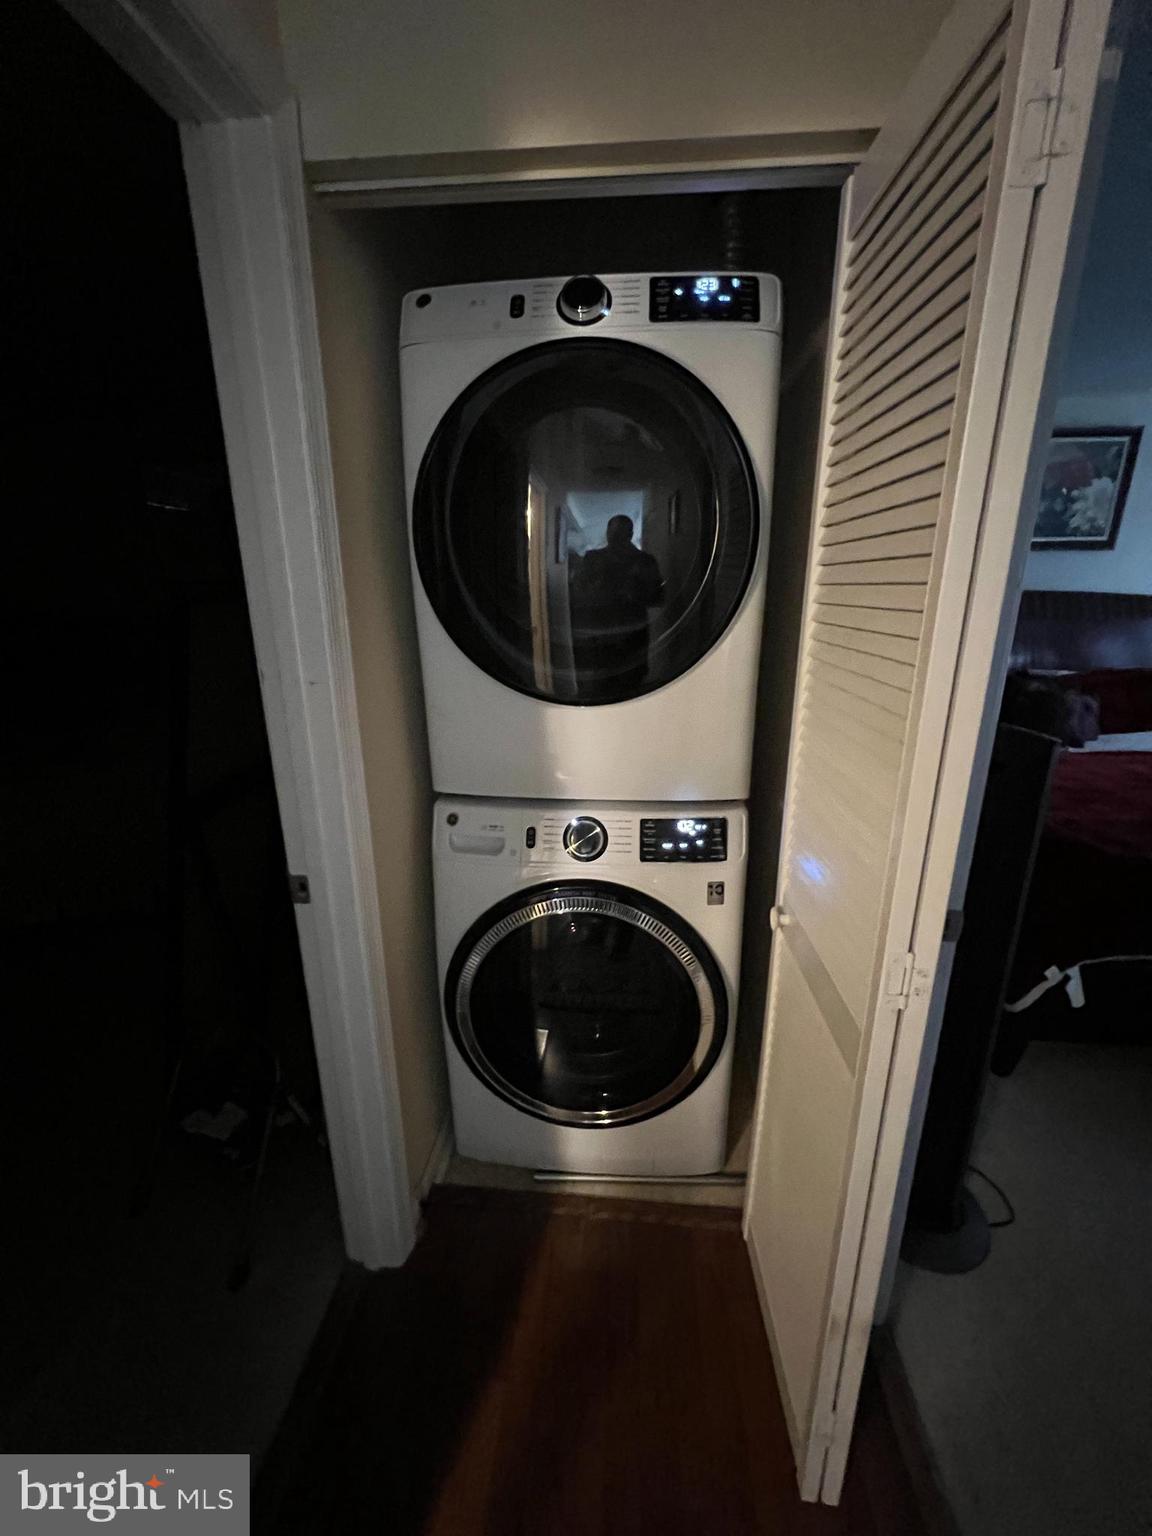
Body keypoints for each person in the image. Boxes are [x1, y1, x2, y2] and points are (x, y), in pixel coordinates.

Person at [571, 515, 665, 698]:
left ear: (630, 534)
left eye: (620, 533)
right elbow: (578, 593)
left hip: (631, 637)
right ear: (607, 534)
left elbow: (658, 598)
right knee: (598, 690)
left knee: (632, 690)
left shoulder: (644, 561)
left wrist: (634, 591)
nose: (616, 538)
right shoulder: (593, 559)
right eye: (613, 533)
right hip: (600, 638)